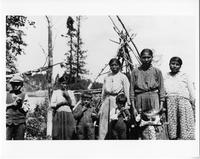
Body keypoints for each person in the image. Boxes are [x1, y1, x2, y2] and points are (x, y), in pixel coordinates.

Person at [130, 49, 165, 140]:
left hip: (154, 98)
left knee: (155, 123)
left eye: (148, 57)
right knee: (140, 124)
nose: (146, 60)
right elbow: (132, 91)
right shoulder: (135, 72)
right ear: (140, 58)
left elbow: (161, 89)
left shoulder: (157, 71)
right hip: (140, 99)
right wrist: (133, 107)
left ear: (152, 58)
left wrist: (161, 106)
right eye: (144, 57)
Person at [98, 58, 131, 140]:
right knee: (104, 121)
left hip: (117, 101)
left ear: (119, 66)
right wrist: (102, 104)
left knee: (114, 121)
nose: (114, 67)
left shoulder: (123, 77)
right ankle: (103, 139)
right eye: (112, 65)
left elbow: (127, 91)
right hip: (107, 100)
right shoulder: (107, 77)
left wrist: (127, 105)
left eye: (116, 65)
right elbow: (103, 92)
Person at [164, 57, 195, 140]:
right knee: (172, 124)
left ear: (180, 66)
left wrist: (194, 102)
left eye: (177, 64)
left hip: (183, 102)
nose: (174, 66)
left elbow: (191, 90)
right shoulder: (165, 76)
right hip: (170, 102)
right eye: (172, 64)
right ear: (169, 64)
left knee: (185, 123)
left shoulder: (185, 75)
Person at [6, 74, 30, 140]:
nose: (16, 86)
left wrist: (21, 105)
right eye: (14, 84)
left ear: (21, 85)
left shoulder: (24, 95)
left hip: (20, 123)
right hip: (7, 123)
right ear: (11, 84)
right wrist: (12, 104)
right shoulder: (6, 95)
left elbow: (27, 109)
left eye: (18, 84)